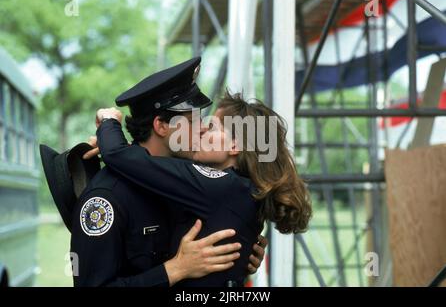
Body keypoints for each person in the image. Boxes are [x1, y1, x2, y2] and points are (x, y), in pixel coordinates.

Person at [68, 57, 266, 287]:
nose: (203, 128)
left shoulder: (191, 181)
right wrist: (175, 270)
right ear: (161, 126)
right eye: (193, 121)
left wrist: (244, 246)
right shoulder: (107, 197)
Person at [93, 91, 312, 286]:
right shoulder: (240, 187)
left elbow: (119, 156)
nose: (202, 129)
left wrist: (109, 123)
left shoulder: (219, 185)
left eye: (213, 127)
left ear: (235, 145)